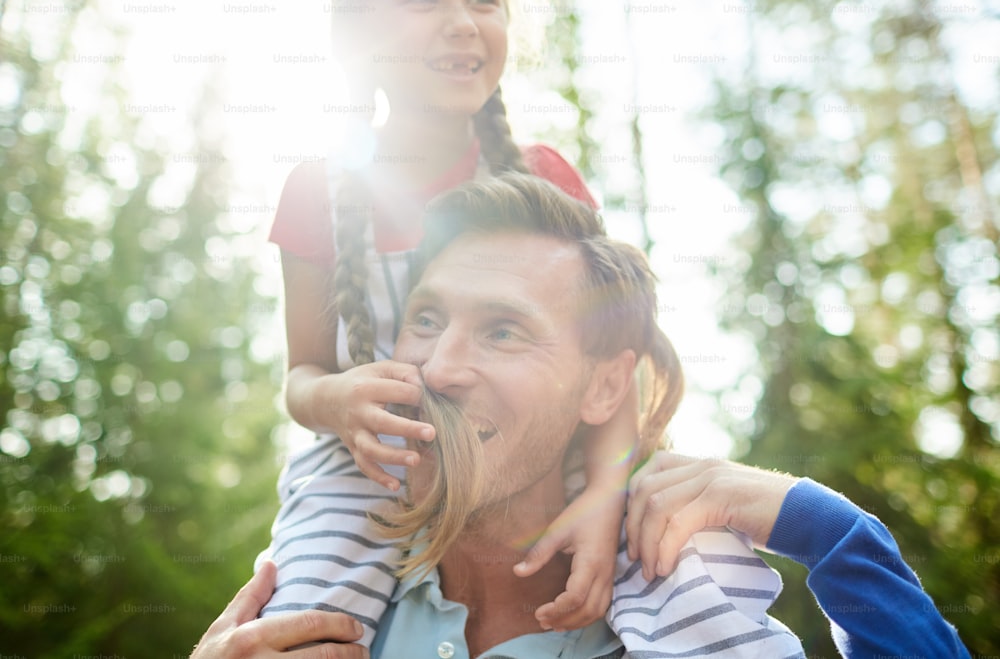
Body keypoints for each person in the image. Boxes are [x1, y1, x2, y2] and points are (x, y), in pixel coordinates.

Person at [194, 174, 970, 658]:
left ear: (605, 389)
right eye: (426, 320)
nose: (438, 367)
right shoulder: (311, 607)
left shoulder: (689, 618)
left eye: (504, 330)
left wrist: (830, 531)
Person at [259, 0, 638, 647]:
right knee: (304, 630)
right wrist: (337, 398)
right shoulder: (315, 189)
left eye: (484, 0)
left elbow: (609, 361)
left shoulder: (541, 178)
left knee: (671, 565)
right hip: (366, 469)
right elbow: (301, 375)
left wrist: (607, 494)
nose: (463, 22)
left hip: (536, 458)